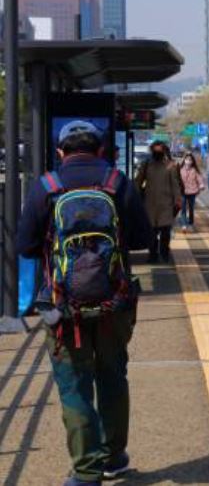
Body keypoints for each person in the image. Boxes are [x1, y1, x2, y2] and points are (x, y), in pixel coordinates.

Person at [16, 120, 151, 485]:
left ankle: (86, 472)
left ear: (60, 152)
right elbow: (141, 238)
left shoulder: (46, 187)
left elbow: (25, 246)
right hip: (115, 304)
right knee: (112, 376)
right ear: (102, 150)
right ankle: (113, 457)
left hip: (63, 309)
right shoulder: (117, 183)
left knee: (74, 384)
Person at [135, 140, 182, 263]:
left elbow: (175, 185)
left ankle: (164, 253)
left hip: (166, 204)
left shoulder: (170, 166)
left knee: (165, 232)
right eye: (155, 151)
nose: (157, 153)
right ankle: (153, 255)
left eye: (159, 151)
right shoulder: (146, 164)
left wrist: (178, 200)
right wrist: (136, 196)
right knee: (151, 232)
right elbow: (138, 182)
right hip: (149, 203)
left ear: (164, 151)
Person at [178, 152, 206, 232]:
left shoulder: (194, 170)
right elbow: (176, 180)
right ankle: (184, 225)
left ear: (192, 161)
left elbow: (199, 179)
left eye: (190, 160)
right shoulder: (180, 170)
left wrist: (201, 185)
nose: (188, 161)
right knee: (183, 209)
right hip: (182, 192)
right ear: (184, 160)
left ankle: (191, 223)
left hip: (192, 192)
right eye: (187, 159)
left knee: (191, 209)